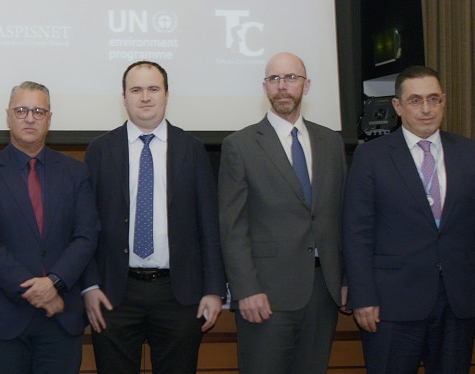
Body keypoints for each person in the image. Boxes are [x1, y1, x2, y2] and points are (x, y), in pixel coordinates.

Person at [82, 61, 224, 373]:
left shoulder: (192, 149)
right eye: (136, 90)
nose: (145, 97)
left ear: (166, 95)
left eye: (153, 89)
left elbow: (209, 225)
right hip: (114, 294)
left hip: (180, 294)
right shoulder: (100, 150)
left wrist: (214, 289)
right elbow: (85, 227)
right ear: (124, 97)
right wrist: (89, 286)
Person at [218, 52, 347, 374]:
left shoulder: (331, 142)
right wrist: (246, 290)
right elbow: (232, 228)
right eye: (274, 79)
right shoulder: (240, 145)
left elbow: (342, 216)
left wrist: (346, 279)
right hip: (266, 294)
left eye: (291, 78)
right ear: (265, 87)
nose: (282, 86)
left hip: (324, 291)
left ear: (306, 85)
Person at [343, 65, 475, 373]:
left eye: (433, 99)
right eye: (415, 100)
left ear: (443, 101)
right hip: (391, 304)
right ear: (398, 106)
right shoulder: (371, 157)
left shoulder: (469, 153)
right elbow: (356, 232)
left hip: (458, 302)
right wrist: (362, 296)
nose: (426, 109)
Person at [0, 81, 99, 374]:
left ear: (49, 119)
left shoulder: (75, 173)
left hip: (60, 320)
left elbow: (86, 236)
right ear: (8, 116)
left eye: (38, 111)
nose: (29, 118)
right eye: (21, 110)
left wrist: (54, 283)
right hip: (3, 322)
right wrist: (36, 290)